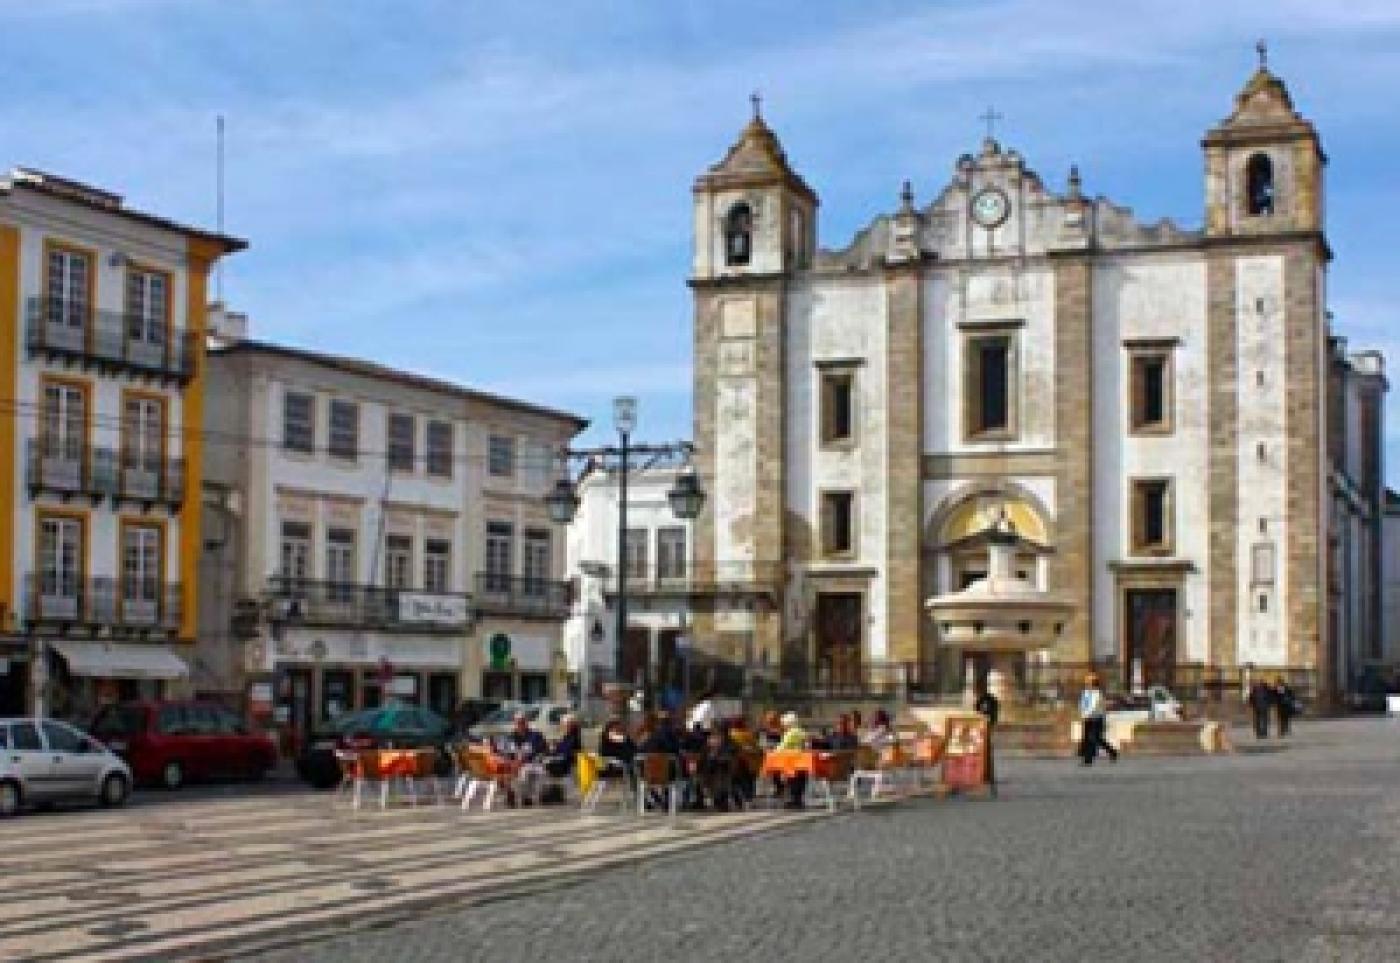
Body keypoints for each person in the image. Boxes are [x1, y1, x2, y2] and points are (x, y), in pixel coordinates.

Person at [1077, 674, 1118, 766]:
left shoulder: (1097, 694)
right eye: (1086, 682)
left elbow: (1096, 707)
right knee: (1090, 739)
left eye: (1089, 682)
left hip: (1096, 719)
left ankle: (1089, 760)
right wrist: (1082, 714)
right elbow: (1082, 704)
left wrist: (1088, 714)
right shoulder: (1085, 693)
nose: (1087, 684)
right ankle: (1111, 752)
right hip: (1087, 718)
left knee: (1094, 738)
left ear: (1094, 683)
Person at [777, 711, 810, 809]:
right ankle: (798, 800)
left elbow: (781, 748)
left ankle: (794, 800)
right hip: (803, 761)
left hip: (792, 761)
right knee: (800, 780)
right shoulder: (802, 732)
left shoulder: (791, 733)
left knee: (791, 780)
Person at [974, 684, 1000, 796]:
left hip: (986, 729)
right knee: (985, 754)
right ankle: (986, 775)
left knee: (987, 754)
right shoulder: (981, 701)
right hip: (982, 730)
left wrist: (989, 724)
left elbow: (992, 715)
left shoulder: (990, 700)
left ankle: (987, 775)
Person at [543, 715, 583, 779]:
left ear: (571, 726)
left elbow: (568, 752)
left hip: (567, 765)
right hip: (562, 761)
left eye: (565, 725)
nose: (562, 727)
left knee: (544, 768)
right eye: (563, 725)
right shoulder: (567, 736)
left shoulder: (574, 738)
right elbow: (559, 749)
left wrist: (554, 751)